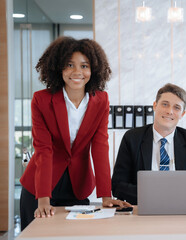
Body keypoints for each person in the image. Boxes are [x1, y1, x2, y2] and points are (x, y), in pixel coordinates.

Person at [19, 36, 131, 230]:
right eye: (69, 65)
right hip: (40, 187)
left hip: (77, 185)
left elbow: (100, 146)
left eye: (84, 66)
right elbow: (44, 149)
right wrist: (43, 199)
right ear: (59, 68)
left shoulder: (101, 101)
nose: (77, 72)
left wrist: (106, 196)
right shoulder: (41, 100)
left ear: (93, 69)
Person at [112, 83, 186, 204]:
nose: (170, 111)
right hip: (144, 208)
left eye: (177, 107)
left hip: (184, 208)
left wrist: (176, 196)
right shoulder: (132, 138)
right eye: (165, 104)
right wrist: (154, 194)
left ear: (182, 114)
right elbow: (118, 186)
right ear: (155, 106)